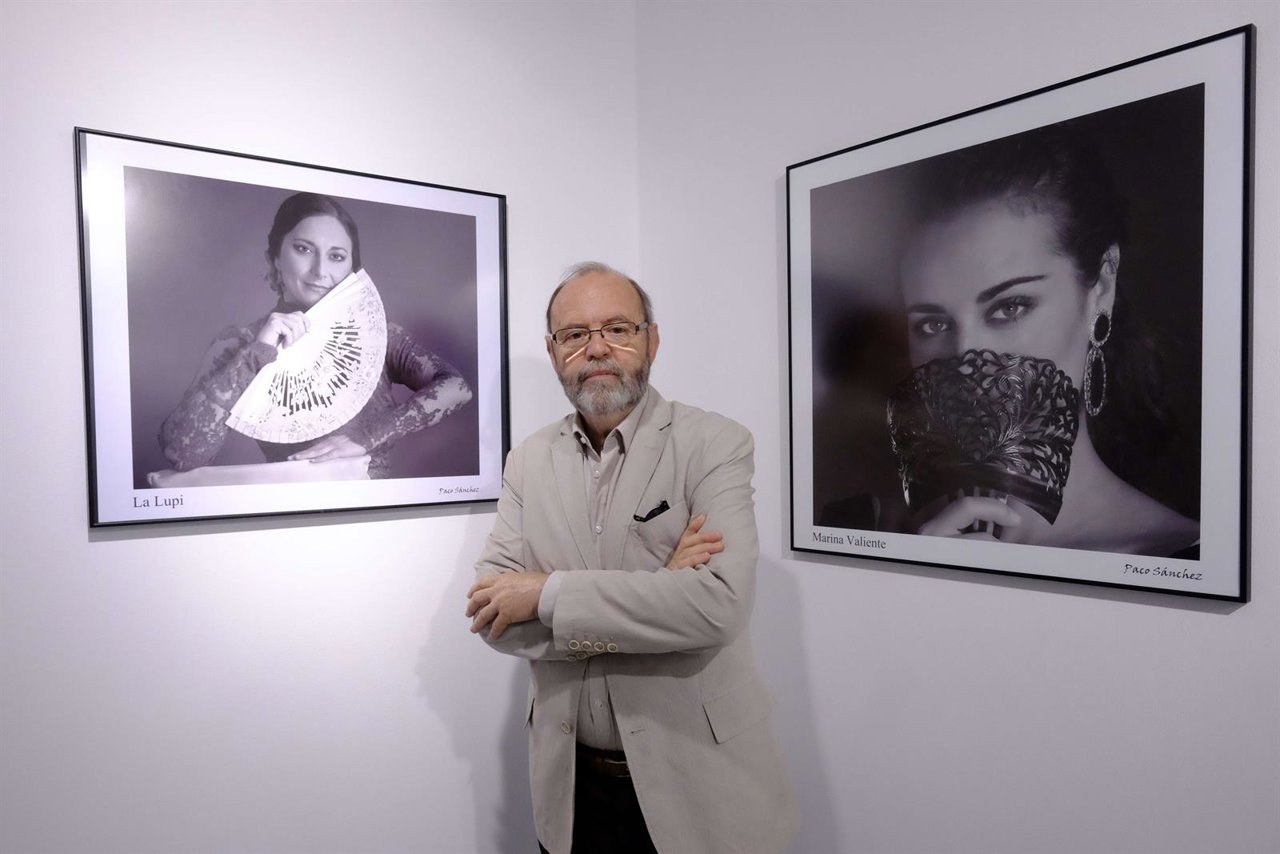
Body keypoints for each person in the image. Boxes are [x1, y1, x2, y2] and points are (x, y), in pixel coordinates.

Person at [465, 262, 797, 854]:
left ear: (652, 340)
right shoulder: (528, 461)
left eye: (618, 328)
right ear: (553, 350)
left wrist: (545, 596)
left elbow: (718, 608)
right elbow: (494, 618)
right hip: (571, 795)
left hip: (700, 791)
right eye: (574, 335)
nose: (597, 349)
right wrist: (660, 588)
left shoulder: (714, 444)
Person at [895, 124, 1199, 557]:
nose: (964, 361)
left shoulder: (1185, 560)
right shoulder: (895, 539)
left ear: (1102, 286)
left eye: (1010, 307)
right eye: (931, 325)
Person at [159, 192, 472, 480]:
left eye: (336, 256)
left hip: (378, 516)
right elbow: (183, 454)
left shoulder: (378, 336)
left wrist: (368, 436)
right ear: (275, 258)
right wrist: (258, 353)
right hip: (292, 517)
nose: (320, 270)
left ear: (353, 269)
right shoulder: (241, 343)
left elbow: (456, 387)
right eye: (303, 249)